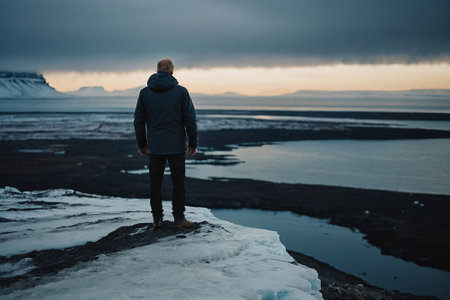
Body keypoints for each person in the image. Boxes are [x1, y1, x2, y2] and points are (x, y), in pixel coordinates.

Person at [134, 58, 197, 229]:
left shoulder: (145, 93)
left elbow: (138, 121)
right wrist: (193, 142)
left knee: (155, 182)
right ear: (172, 72)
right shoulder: (181, 92)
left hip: (155, 147)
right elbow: (190, 119)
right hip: (176, 146)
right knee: (178, 183)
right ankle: (179, 219)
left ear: (157, 71)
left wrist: (142, 144)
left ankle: (157, 219)